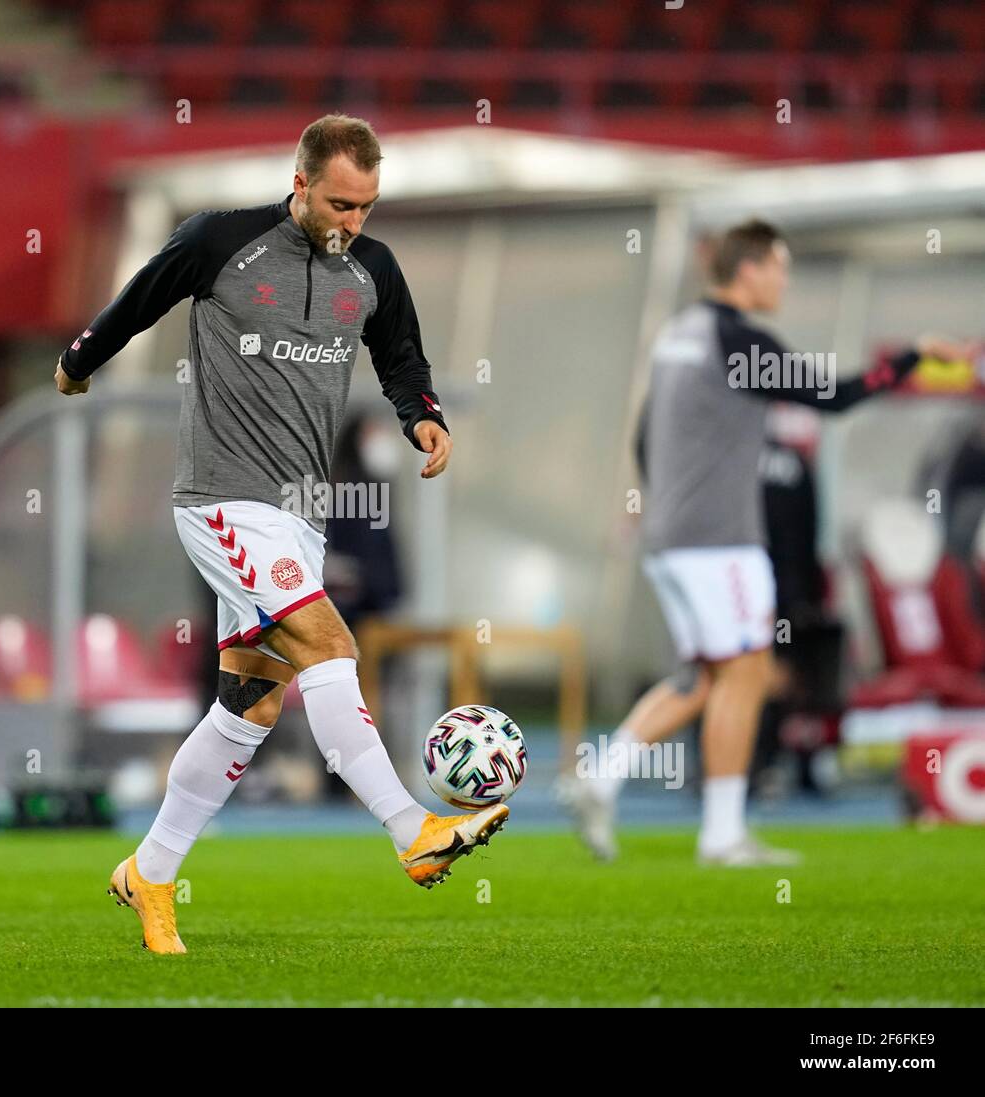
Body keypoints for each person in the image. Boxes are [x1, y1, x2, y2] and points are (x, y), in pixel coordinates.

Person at [55, 114, 507, 953]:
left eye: (367, 206)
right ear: (300, 184)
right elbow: (140, 298)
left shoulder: (373, 267)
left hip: (301, 515)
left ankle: (151, 873)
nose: (353, 222)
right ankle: (411, 828)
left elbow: (399, 356)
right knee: (331, 644)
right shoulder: (221, 241)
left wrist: (424, 418)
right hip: (222, 499)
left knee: (249, 704)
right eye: (340, 203)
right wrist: (79, 361)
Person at [566, 218, 970, 866]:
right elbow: (834, 397)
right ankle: (722, 835)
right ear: (749, 269)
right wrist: (912, 357)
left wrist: (662, 502)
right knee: (748, 672)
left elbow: (646, 436)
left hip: (671, 537)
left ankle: (602, 774)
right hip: (720, 538)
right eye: (779, 266)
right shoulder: (737, 340)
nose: (784, 279)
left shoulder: (678, 335)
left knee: (704, 674)